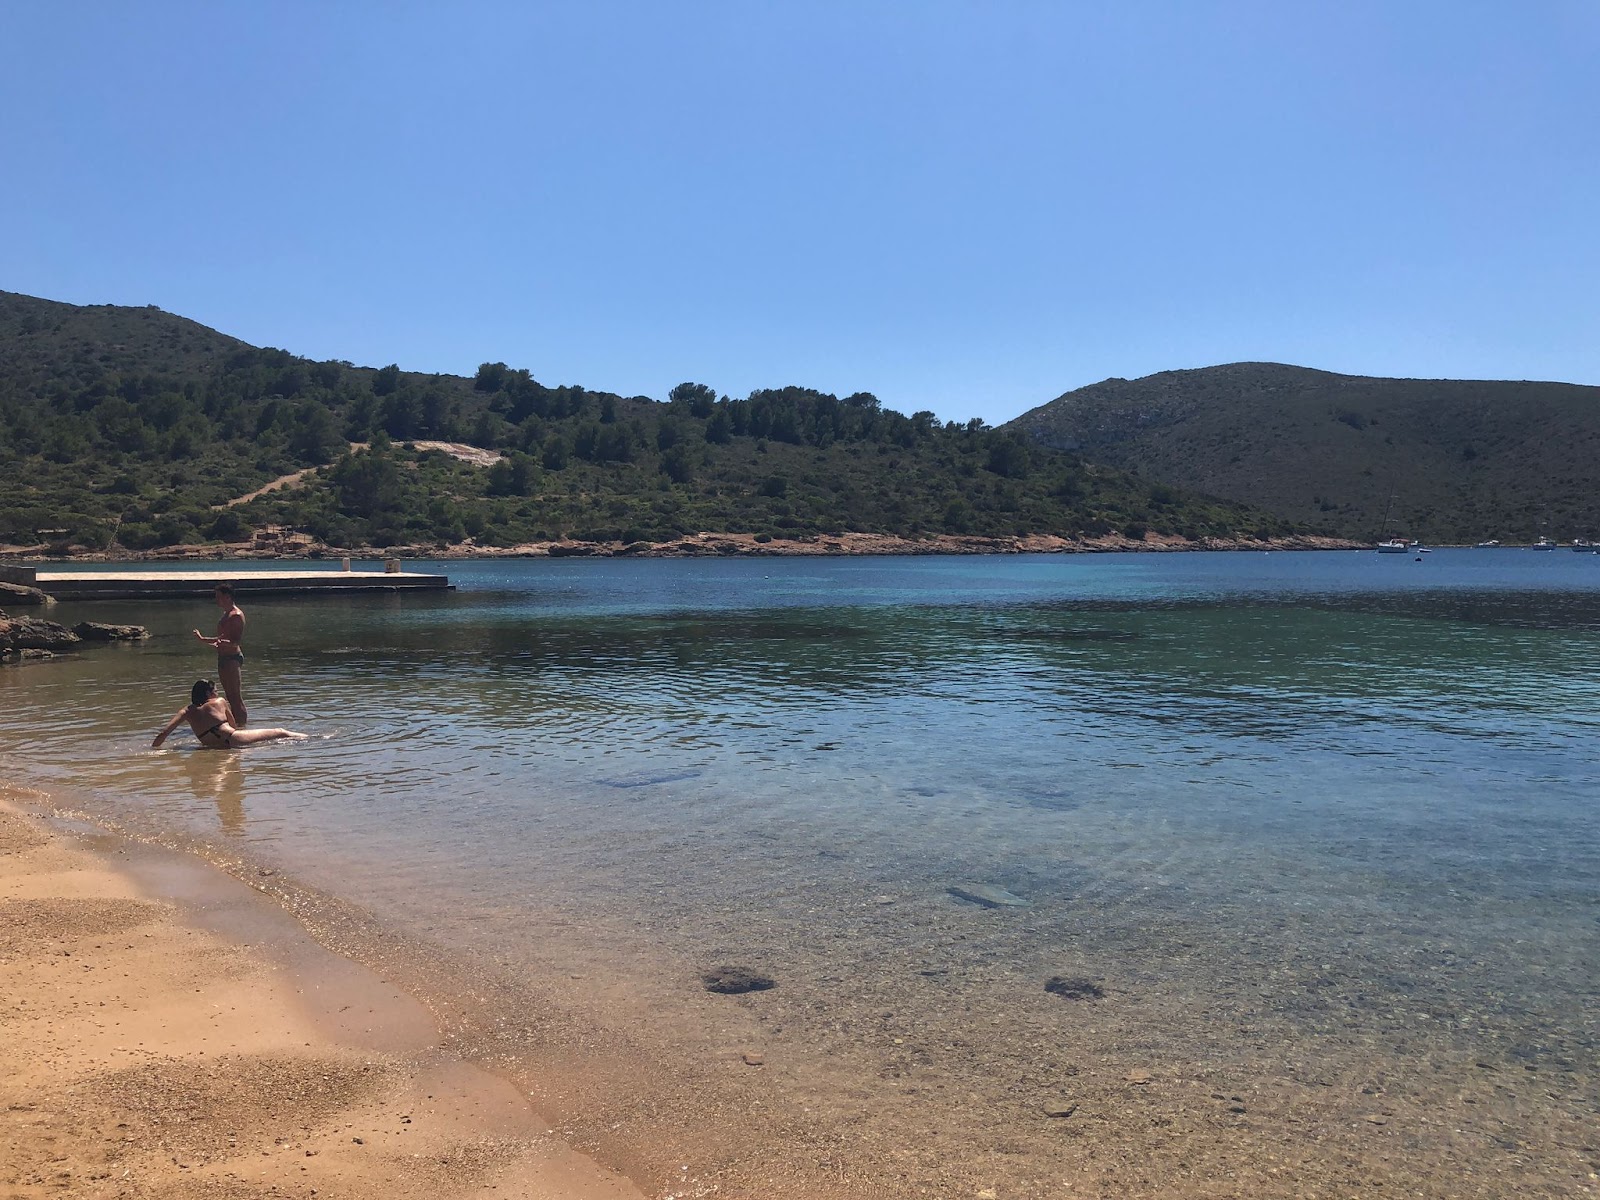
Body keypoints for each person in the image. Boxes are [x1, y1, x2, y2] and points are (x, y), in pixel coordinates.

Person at [152, 679, 303, 750]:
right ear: (209, 693)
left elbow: (164, 733)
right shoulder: (219, 701)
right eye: (215, 690)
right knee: (280, 732)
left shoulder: (186, 712)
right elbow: (233, 726)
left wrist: (153, 750)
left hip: (213, 747)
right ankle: (313, 739)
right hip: (234, 739)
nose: (217, 693)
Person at [194, 582, 247, 726]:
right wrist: (203, 639)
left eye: (219, 596)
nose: (216, 599)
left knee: (235, 697)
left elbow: (236, 641)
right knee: (230, 696)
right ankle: (236, 726)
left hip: (232, 658)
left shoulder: (236, 615)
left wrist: (224, 643)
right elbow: (222, 638)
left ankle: (242, 727)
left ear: (228, 597)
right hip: (224, 657)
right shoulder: (226, 614)